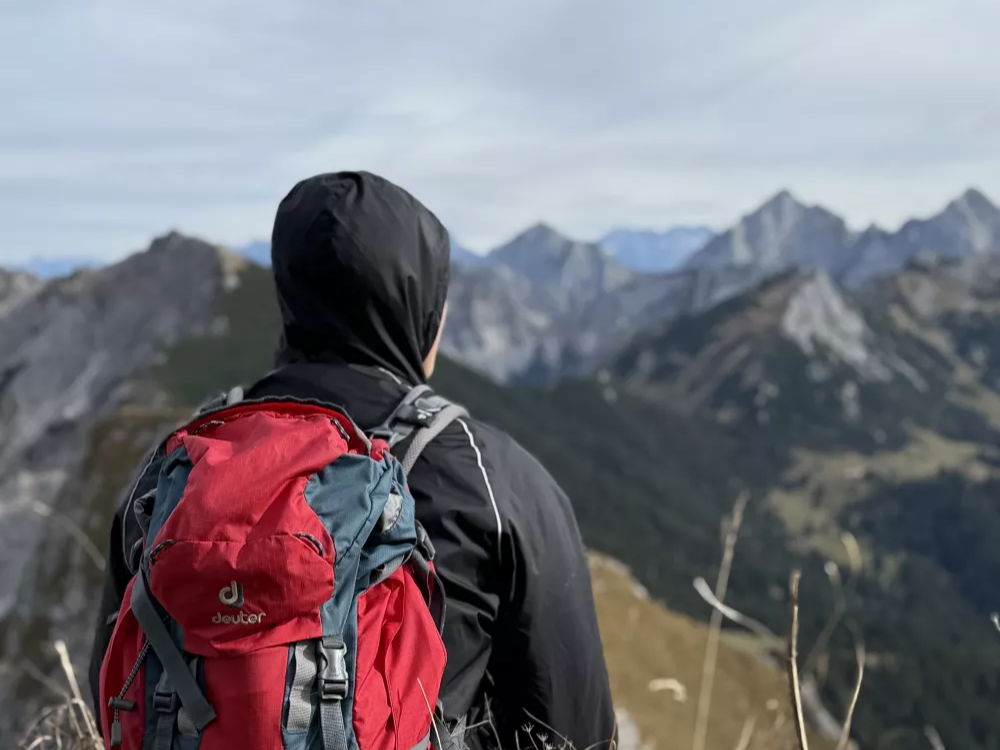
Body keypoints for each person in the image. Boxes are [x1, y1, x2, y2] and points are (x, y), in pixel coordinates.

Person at [89, 171, 616, 750]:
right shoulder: (495, 480)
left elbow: (112, 691)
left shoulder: (176, 470)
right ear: (423, 316)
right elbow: (574, 728)